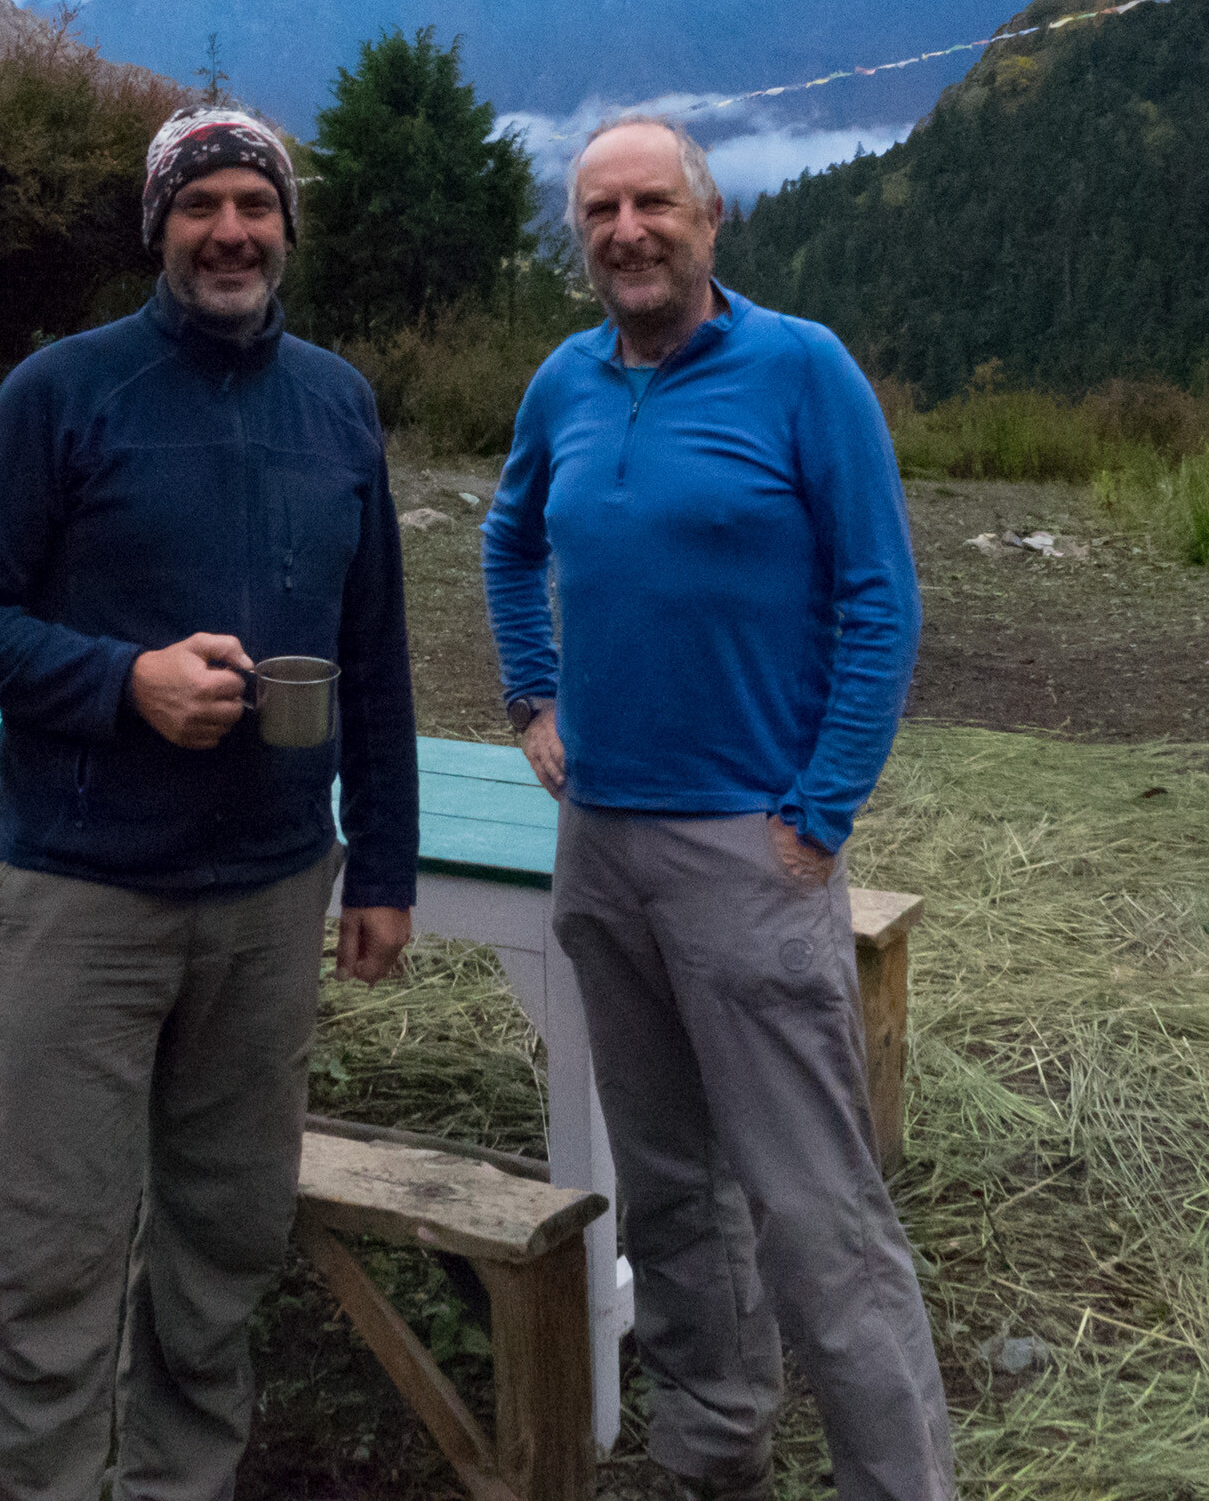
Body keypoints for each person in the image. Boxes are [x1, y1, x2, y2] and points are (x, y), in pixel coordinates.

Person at [0, 103, 419, 1501]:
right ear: (158, 227)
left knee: (224, 1248)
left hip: (270, 897)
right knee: (41, 1259)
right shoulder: (64, 393)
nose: (231, 230)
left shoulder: (336, 401)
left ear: (287, 228)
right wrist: (119, 679)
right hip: (85, 892)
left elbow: (373, 652)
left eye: (256, 204)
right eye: (200, 206)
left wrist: (383, 861)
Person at [482, 115, 955, 1501]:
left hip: (752, 852)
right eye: (598, 212)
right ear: (580, 237)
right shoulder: (565, 382)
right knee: (672, 1184)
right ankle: (714, 1449)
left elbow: (882, 598)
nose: (625, 231)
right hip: (602, 848)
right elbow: (511, 537)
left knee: (818, 1210)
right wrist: (532, 697)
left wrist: (818, 812)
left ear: (709, 216)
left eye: (651, 204)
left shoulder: (802, 370)